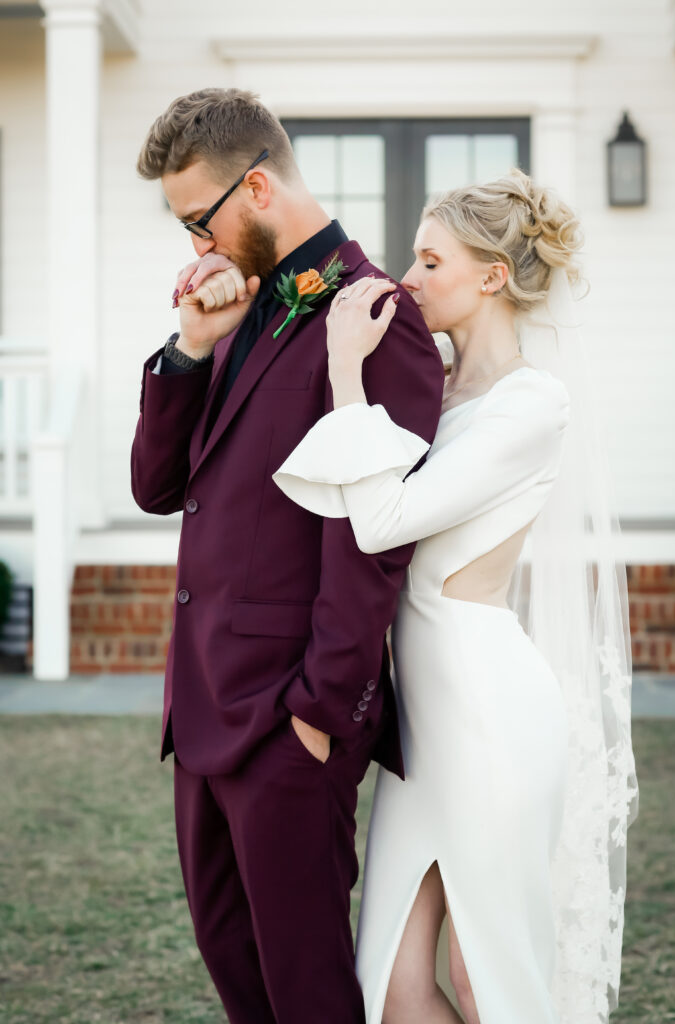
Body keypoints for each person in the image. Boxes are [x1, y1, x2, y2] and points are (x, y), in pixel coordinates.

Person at [274, 170, 639, 1023]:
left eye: (429, 260)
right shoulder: (431, 388)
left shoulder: (531, 405)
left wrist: (344, 375)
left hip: (490, 720)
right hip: (420, 728)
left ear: (491, 277)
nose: (407, 278)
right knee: (394, 991)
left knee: (487, 983)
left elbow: (380, 522)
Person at [130, 87, 444, 1024]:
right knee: (239, 977)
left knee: (305, 993)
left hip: (287, 724)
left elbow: (375, 539)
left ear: (255, 185)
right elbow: (157, 485)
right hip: (202, 711)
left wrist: (320, 711)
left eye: (199, 221)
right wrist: (190, 349)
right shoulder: (240, 307)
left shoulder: (376, 318)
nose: (197, 250)